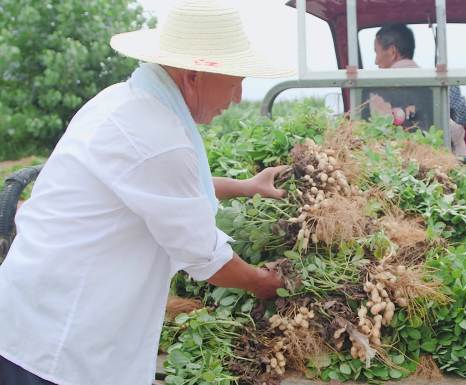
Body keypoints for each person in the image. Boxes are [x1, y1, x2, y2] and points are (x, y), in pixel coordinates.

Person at [0, 1, 294, 384]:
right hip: (57, 342)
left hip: (34, 316)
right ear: (194, 75)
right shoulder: (156, 136)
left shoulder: (123, 101)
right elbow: (209, 260)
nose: (238, 96)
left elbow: (163, 192)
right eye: (236, 81)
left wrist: (247, 187)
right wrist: (265, 282)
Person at [370, 24, 466, 154]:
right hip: (441, 161)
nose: (375, 61)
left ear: (392, 52)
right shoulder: (438, 82)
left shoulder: (372, 91)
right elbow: (462, 111)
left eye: (376, 52)